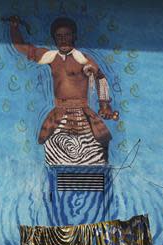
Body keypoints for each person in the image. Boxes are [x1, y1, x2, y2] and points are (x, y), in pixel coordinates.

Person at [10, 16, 119, 165]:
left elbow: (101, 78)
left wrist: (104, 105)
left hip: (83, 117)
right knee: (56, 160)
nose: (63, 39)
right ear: (54, 39)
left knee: (94, 158)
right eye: (59, 36)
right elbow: (22, 47)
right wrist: (14, 26)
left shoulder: (83, 59)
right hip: (58, 117)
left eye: (67, 35)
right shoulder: (51, 57)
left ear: (74, 36)